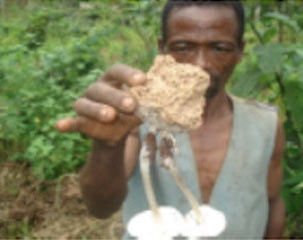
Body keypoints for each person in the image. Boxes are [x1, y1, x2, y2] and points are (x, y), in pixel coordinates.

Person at [56, 0, 285, 238]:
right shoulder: (136, 117)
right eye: (183, 47)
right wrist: (106, 146)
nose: (200, 64)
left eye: (219, 48)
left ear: (239, 51)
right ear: (162, 49)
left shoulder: (264, 125)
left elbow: (272, 201)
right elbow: (101, 208)